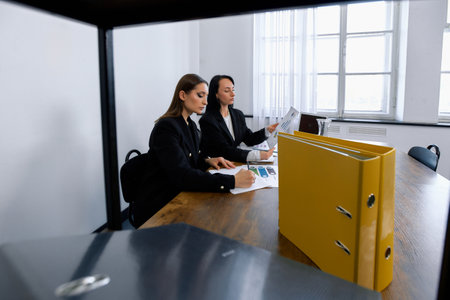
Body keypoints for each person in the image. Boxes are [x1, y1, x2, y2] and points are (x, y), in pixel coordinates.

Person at [130, 74, 256, 228]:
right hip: (160, 205)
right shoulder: (166, 128)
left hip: (178, 194)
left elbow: (190, 156)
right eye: (200, 95)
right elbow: (182, 175)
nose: (205, 101)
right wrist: (233, 181)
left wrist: (206, 160)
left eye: (207, 96)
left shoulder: (190, 124)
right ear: (183, 95)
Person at [199, 75, 278, 163]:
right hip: (218, 166)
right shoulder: (207, 120)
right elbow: (225, 151)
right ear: (216, 94)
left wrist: (267, 130)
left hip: (234, 162)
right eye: (227, 90)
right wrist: (258, 155)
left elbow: (249, 139)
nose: (233, 94)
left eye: (233, 89)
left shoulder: (238, 114)